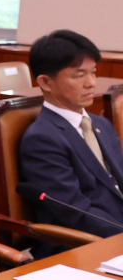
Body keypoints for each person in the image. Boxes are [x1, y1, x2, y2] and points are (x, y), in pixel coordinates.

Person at [19, 30, 123, 248]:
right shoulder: (42, 138)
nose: (91, 83)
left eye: (93, 73)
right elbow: (75, 211)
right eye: (79, 75)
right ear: (46, 82)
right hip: (83, 245)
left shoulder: (100, 123)